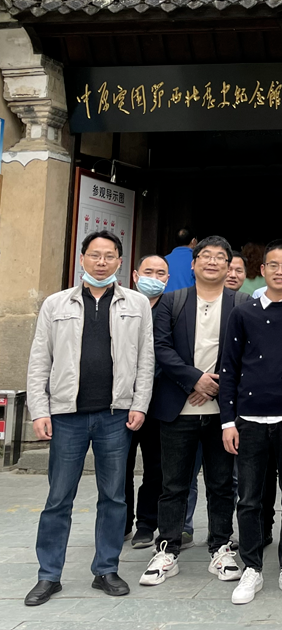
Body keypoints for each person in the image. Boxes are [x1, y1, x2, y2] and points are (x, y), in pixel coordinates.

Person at [24, 231, 154, 607]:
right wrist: (40, 410)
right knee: (58, 498)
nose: (101, 262)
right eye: (94, 255)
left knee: (113, 497)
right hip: (67, 416)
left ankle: (106, 569)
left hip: (115, 415)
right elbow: (39, 360)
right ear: (82, 258)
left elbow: (146, 359)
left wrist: (139, 404)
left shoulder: (136, 303)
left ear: (119, 262)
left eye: (109, 256)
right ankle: (48, 575)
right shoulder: (56, 304)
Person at [220, 238, 282, 606]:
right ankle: (252, 567)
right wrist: (227, 422)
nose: (280, 272)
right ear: (262, 270)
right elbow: (229, 368)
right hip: (249, 418)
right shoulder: (243, 312)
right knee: (249, 498)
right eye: (273, 265)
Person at [141, 236, 247, 589]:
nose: (212, 262)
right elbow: (161, 348)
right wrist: (194, 380)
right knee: (173, 484)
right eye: (206, 256)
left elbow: (247, 353)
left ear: (229, 266)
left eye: (220, 257)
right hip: (178, 408)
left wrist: (215, 385)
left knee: (221, 484)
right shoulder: (172, 302)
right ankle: (167, 548)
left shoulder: (241, 304)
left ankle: (220, 547)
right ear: (193, 263)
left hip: (223, 412)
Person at [124, 254, 169, 549]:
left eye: (160, 273)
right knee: (120, 467)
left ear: (168, 278)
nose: (154, 277)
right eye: (148, 271)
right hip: (122, 401)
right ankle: (121, 522)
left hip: (160, 401)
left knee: (156, 468)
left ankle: (146, 524)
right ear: (135, 275)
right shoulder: (123, 306)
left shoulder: (173, 308)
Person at [164, 228, 197, 293]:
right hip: (188, 297)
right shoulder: (197, 260)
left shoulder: (164, 260)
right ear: (193, 241)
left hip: (165, 297)